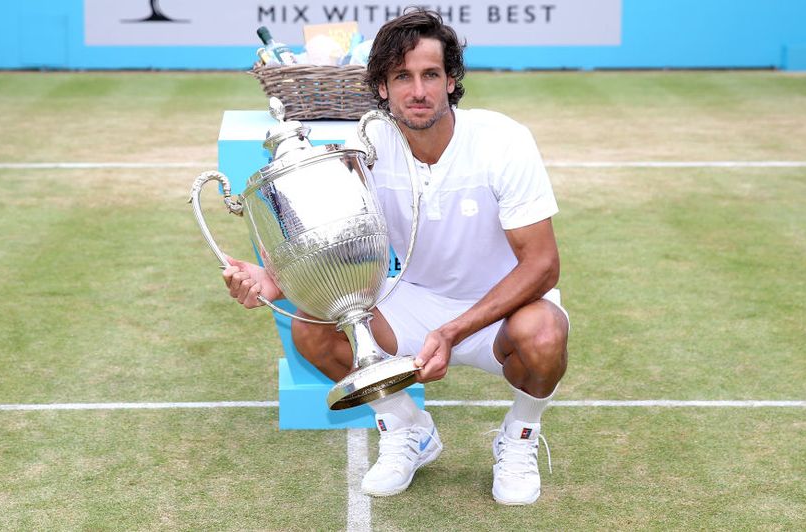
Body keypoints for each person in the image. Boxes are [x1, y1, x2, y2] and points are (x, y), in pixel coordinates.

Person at [222, 7, 569, 505]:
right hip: (415, 300)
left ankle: (520, 436)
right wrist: (273, 281)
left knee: (545, 334)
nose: (418, 90)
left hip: (503, 309)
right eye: (402, 77)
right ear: (382, 88)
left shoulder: (504, 140)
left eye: (431, 74)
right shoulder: (366, 146)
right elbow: (328, 238)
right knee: (310, 329)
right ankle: (408, 427)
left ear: (452, 81)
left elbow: (542, 265)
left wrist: (453, 331)